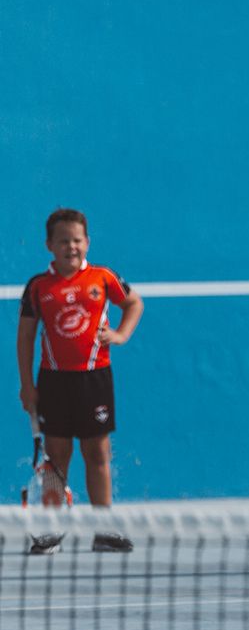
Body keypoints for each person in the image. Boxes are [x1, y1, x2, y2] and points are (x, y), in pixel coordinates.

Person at [16, 207, 144, 554]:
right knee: (57, 456)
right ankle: (51, 531)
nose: (70, 247)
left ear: (86, 242)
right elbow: (25, 337)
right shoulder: (37, 287)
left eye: (76, 240)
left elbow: (134, 303)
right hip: (54, 382)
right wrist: (27, 385)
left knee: (97, 453)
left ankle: (103, 529)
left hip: (95, 380)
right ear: (49, 245)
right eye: (63, 241)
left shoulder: (103, 278)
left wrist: (120, 335)